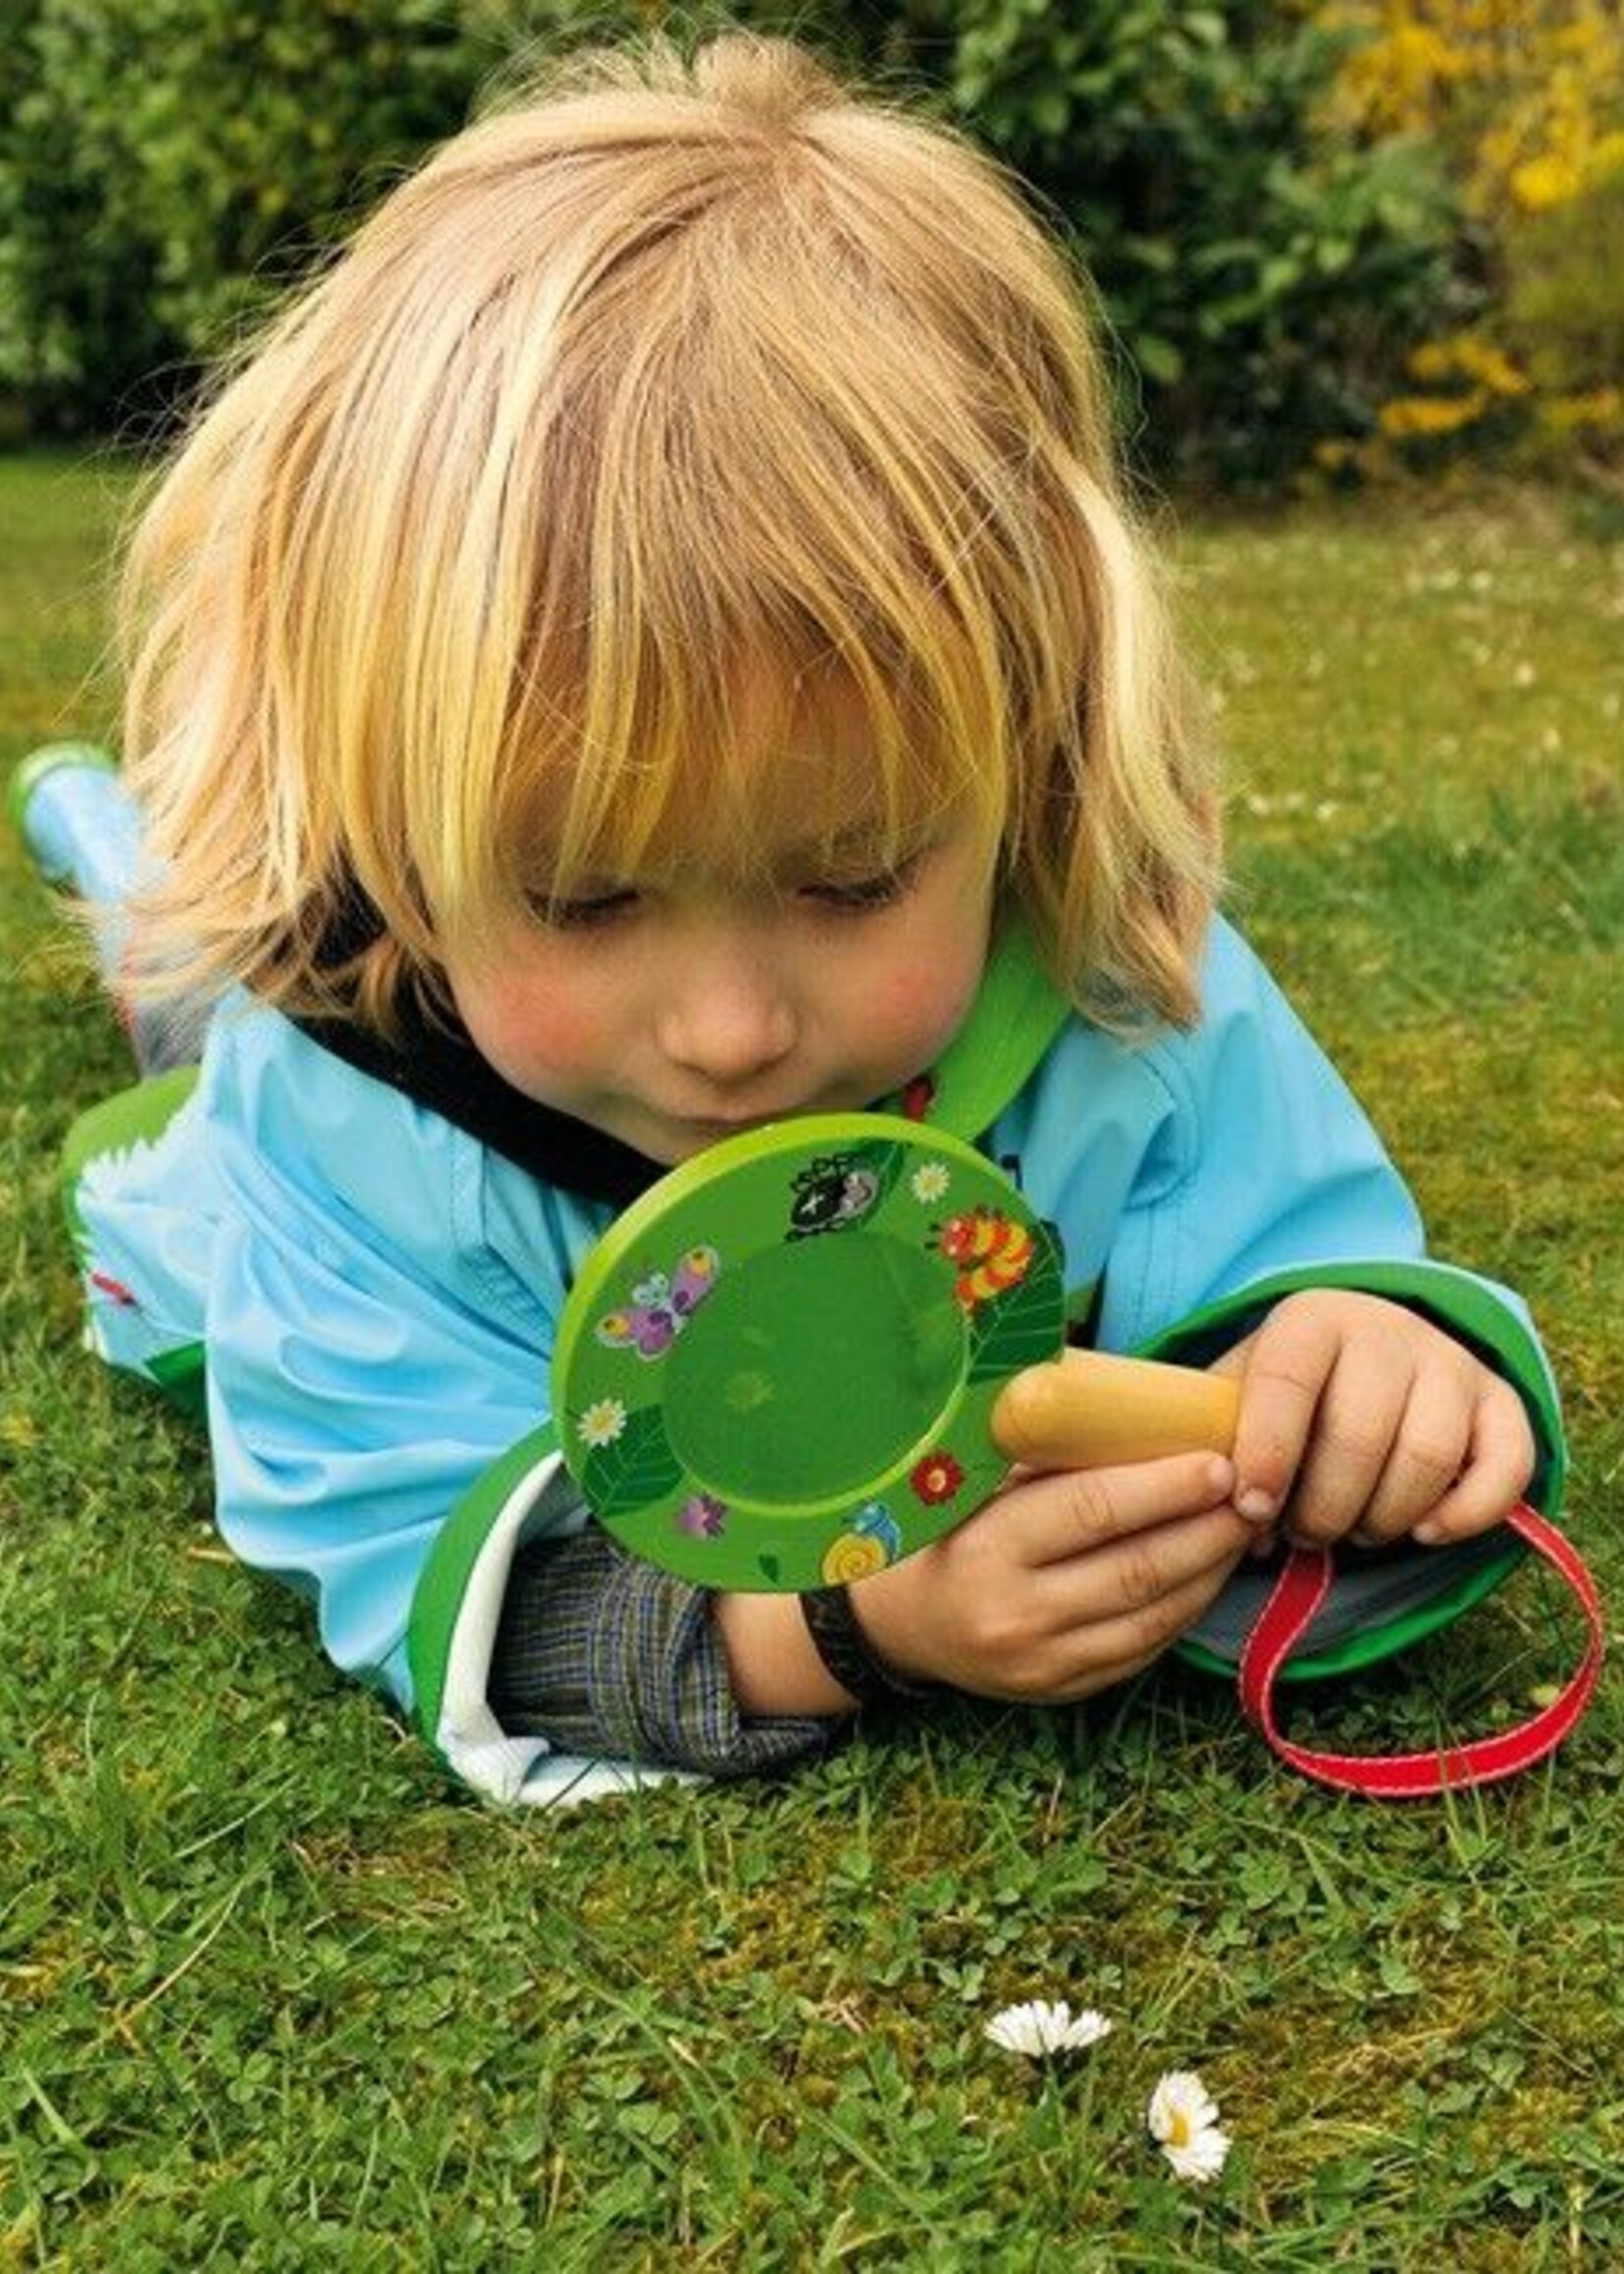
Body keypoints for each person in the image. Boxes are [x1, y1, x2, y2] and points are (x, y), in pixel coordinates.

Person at [16, 30, 1562, 1805]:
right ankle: (112, 852)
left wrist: (1367, 1381)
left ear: (1038, 762)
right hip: (255, 1091)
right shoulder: (348, 1107)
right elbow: (394, 1524)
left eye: (850, 877)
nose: (731, 1028)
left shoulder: (1116, 978)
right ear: (386, 821)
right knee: (186, 999)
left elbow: (1282, 1265)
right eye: (585, 892)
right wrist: (849, 1630)